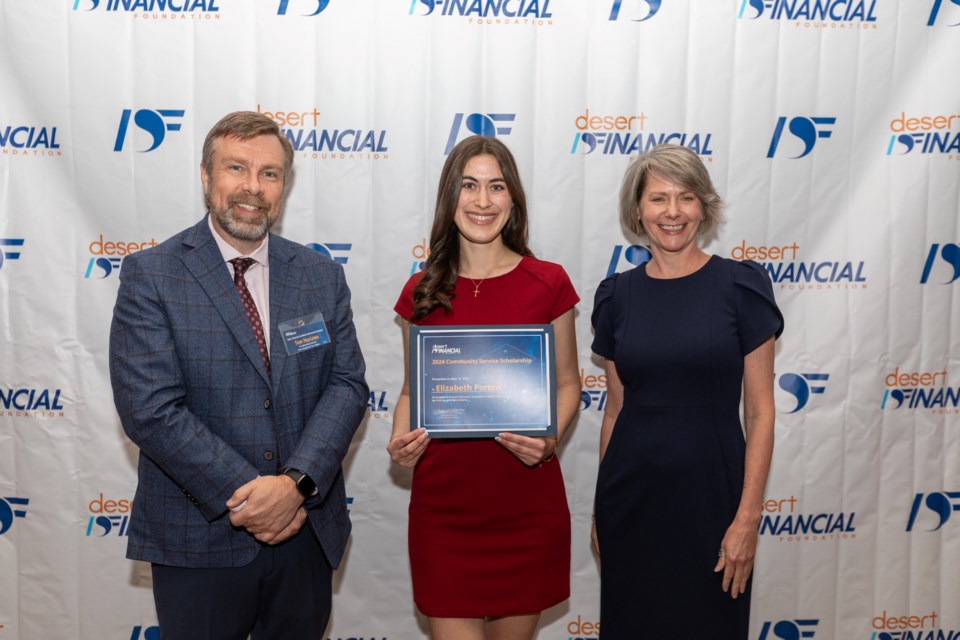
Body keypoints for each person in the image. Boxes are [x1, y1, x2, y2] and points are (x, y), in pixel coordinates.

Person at [109, 111, 368, 639]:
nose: (252, 187)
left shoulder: (320, 275)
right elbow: (150, 410)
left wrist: (295, 485)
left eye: (269, 174)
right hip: (199, 538)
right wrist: (255, 497)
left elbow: (346, 385)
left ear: (283, 186)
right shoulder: (152, 274)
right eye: (236, 168)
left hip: (305, 531)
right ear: (206, 177)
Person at [387, 135, 580, 640]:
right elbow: (412, 392)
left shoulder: (548, 282)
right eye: (469, 186)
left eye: (496, 187)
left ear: (512, 199)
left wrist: (550, 438)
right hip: (444, 513)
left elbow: (568, 384)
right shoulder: (421, 290)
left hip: (525, 507)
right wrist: (399, 438)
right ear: (450, 198)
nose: (482, 200)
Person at [590, 144, 783, 639]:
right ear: (637, 210)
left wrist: (747, 518)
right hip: (630, 505)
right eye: (658, 198)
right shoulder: (616, 297)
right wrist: (599, 511)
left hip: (714, 507)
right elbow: (615, 411)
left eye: (686, 197)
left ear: (704, 207)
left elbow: (760, 413)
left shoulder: (741, 286)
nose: (672, 212)